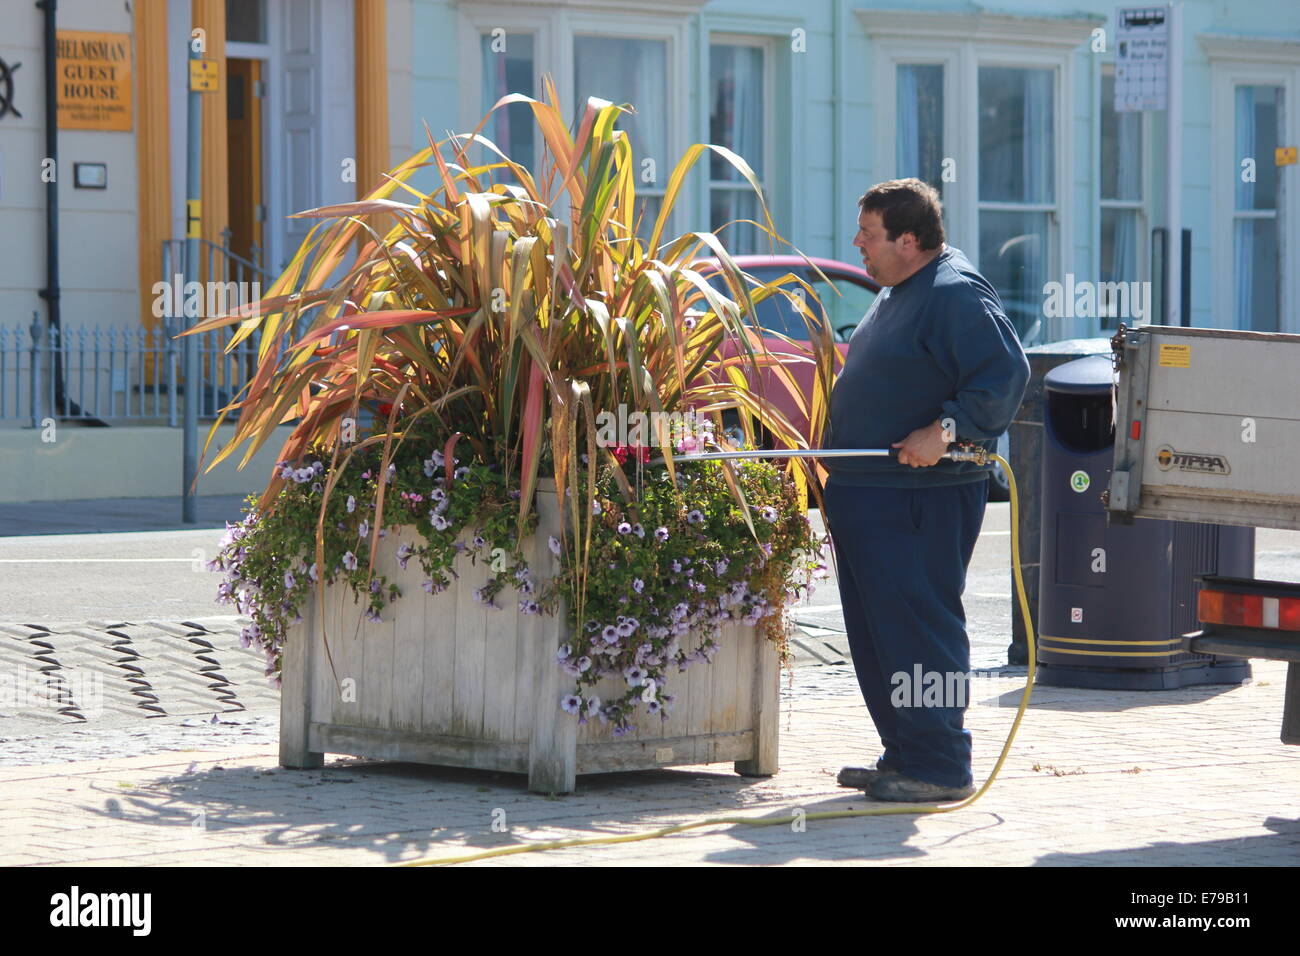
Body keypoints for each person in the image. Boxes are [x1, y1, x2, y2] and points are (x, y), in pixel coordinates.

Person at [821, 178, 1029, 802]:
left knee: (919, 626)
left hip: (919, 497)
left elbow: (1006, 374)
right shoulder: (901, 288)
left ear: (909, 240)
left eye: (869, 234)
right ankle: (906, 752)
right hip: (870, 495)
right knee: (880, 629)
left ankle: (940, 765)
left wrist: (945, 429)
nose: (857, 244)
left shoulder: (954, 292)